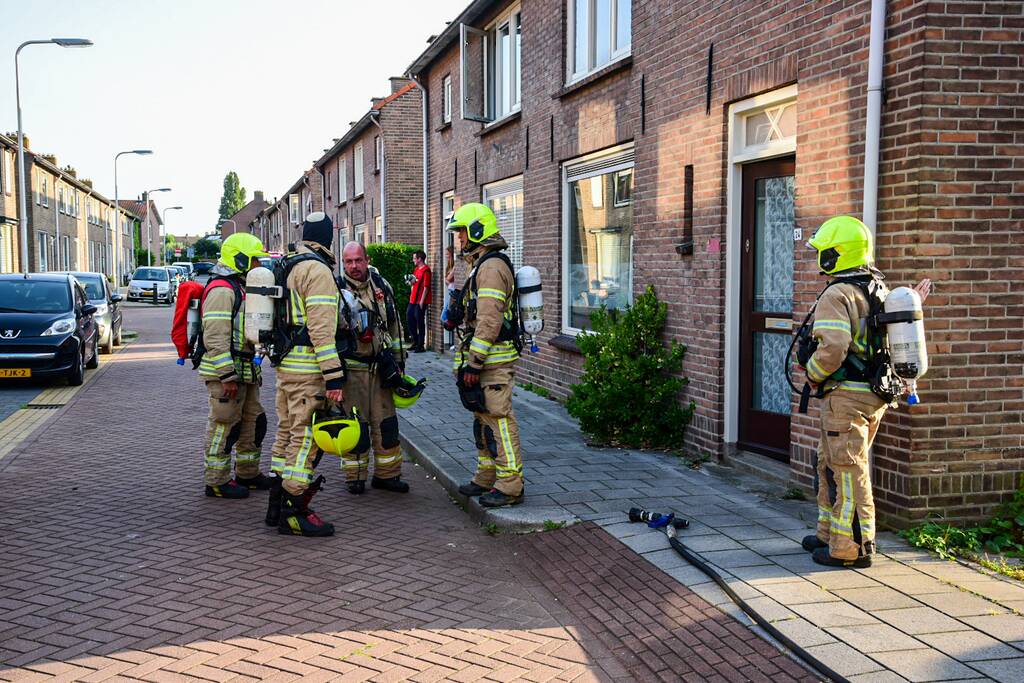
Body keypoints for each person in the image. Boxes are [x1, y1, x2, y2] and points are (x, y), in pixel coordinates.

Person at [799, 216, 930, 568]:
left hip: (846, 397)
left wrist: (813, 374)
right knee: (830, 463)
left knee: (847, 469)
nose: (819, 256)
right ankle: (829, 534)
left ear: (836, 253)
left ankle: (853, 548)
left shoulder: (837, 294)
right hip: (873, 395)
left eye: (824, 250)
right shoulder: (878, 290)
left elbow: (833, 348)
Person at [267, 212, 346, 537]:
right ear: (328, 238)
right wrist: (334, 376)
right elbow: (321, 331)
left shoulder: (287, 264)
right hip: (309, 369)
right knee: (305, 438)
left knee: (286, 433)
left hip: (286, 366)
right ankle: (294, 510)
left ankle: (276, 504)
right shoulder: (317, 270)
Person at [446, 203, 524, 508]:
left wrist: (474, 363)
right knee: (482, 419)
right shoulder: (480, 264)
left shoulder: (491, 268)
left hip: (493, 362)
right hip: (484, 361)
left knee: (498, 420)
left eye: (462, 232)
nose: (460, 238)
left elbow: (489, 321)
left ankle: (510, 485)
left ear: (477, 230)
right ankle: (487, 477)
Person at [197, 232, 271, 499]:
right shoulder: (222, 290)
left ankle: (247, 474)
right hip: (226, 373)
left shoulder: (240, 286)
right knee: (224, 426)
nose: (258, 265)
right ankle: (216, 481)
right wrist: (227, 375)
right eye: (254, 260)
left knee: (253, 422)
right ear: (240, 260)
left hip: (246, 371)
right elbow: (215, 337)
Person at [338, 241, 410, 494]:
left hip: (381, 369)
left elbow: (395, 326)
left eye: (358, 260)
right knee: (355, 426)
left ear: (367, 260)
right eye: (349, 261)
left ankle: (387, 475)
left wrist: (399, 364)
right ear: (343, 263)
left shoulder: (381, 286)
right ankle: (355, 477)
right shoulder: (336, 290)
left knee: (386, 423)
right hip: (352, 370)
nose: (354, 266)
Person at [406, 249, 431, 352]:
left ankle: (421, 345)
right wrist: (410, 283)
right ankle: (415, 342)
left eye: (414, 258)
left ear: (419, 259)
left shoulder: (426, 271)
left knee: (419, 322)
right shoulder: (416, 270)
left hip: (420, 301)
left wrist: (422, 301)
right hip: (413, 300)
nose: (413, 260)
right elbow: (414, 283)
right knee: (410, 319)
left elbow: (426, 287)